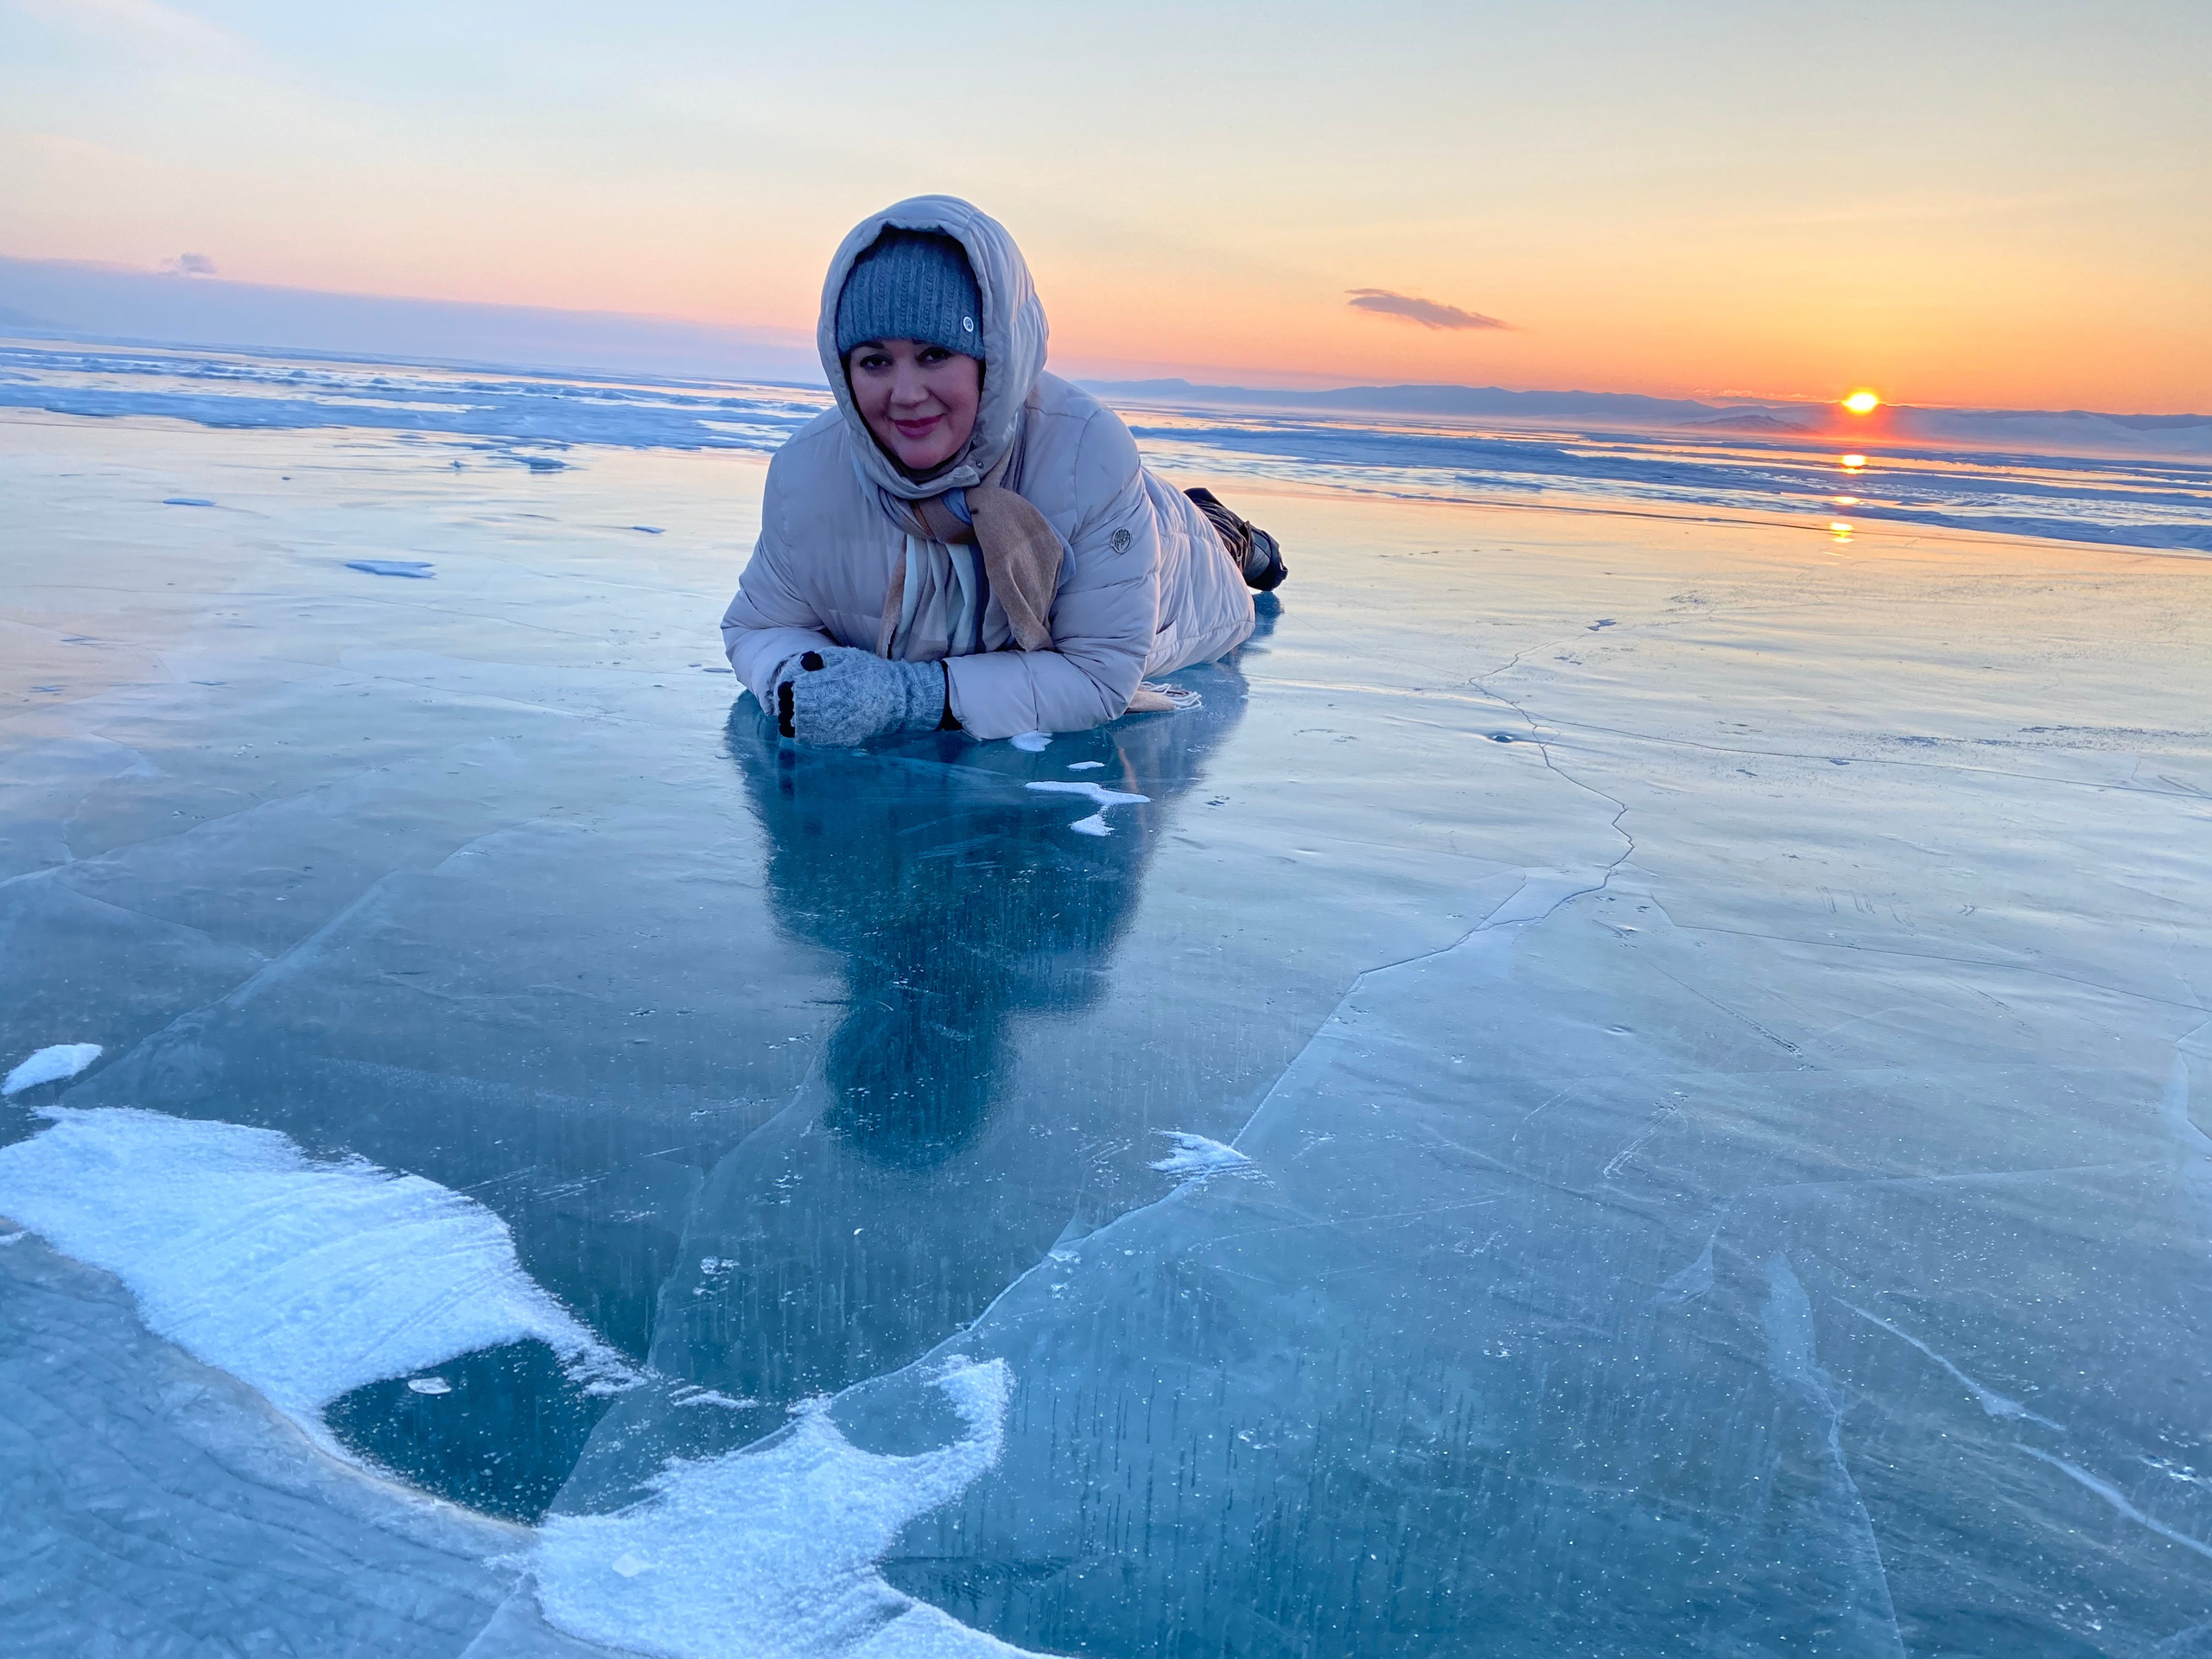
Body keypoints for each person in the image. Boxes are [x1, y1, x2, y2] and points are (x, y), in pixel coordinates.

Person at [719, 195, 1286, 746]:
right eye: (875, 361)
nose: (906, 394)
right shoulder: (806, 473)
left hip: (1179, 562)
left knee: (1209, 543)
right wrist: (797, 675)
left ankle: (1232, 532)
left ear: (994, 360)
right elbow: (760, 625)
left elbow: (1097, 675)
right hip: (1122, 512)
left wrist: (910, 696)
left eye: (935, 354)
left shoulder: (1087, 454)